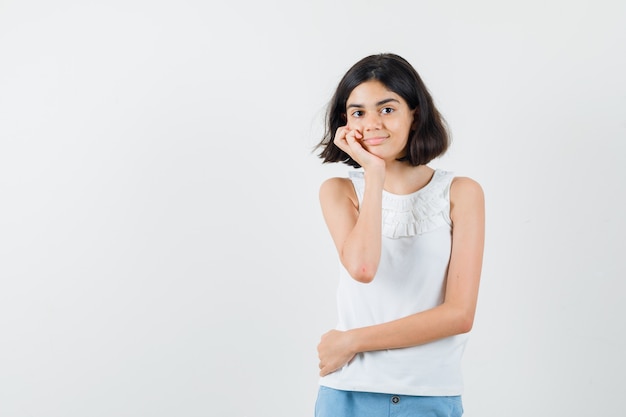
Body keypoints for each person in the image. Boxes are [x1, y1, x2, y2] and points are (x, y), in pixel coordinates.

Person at [313, 53, 485, 417]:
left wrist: (352, 341)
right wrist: (373, 173)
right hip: (347, 393)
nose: (372, 123)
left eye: (387, 109)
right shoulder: (338, 190)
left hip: (429, 394)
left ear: (415, 114)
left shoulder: (461, 193)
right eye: (358, 112)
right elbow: (362, 268)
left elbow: (458, 315)